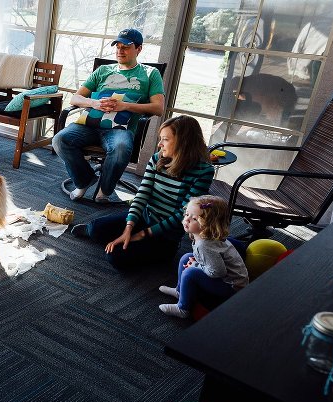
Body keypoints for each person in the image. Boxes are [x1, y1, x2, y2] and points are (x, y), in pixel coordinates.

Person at [71, 115, 215, 270]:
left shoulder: (204, 171)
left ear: (183, 142)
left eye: (165, 139)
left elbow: (182, 214)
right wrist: (128, 228)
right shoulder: (156, 160)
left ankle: (157, 253)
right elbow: (142, 195)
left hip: (165, 235)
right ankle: (111, 235)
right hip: (145, 217)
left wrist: (139, 235)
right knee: (95, 228)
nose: (159, 144)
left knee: (116, 258)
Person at [52, 28, 165, 202]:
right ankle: (84, 181)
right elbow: (75, 97)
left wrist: (124, 106)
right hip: (89, 124)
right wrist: (94, 103)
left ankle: (104, 190)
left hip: (120, 129)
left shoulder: (150, 74)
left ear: (139, 49)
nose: (120, 51)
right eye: (118, 46)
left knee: (120, 148)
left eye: (126, 47)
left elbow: (158, 108)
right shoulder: (103, 70)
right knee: (59, 140)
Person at [158, 195, 249, 318]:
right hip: (224, 274)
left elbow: (218, 272)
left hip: (232, 287)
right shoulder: (204, 236)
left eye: (194, 218)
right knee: (186, 257)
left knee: (189, 273)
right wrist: (197, 262)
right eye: (187, 214)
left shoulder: (204, 245)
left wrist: (197, 265)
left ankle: (183, 308)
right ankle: (180, 291)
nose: (187, 219)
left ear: (208, 224)